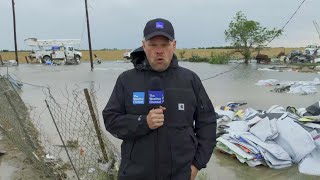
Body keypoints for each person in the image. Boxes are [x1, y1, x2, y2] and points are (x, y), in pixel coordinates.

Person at [103, 18, 216, 180]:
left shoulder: (190, 80)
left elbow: (208, 124)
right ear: (144, 46)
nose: (159, 51)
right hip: (136, 174)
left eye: (164, 45)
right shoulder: (126, 80)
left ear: (174, 45)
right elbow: (111, 120)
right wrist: (143, 122)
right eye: (153, 45)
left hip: (179, 175)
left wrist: (197, 164)